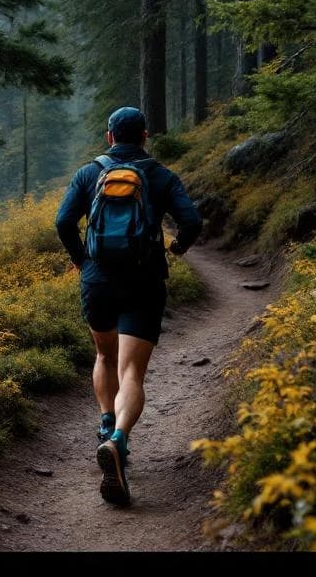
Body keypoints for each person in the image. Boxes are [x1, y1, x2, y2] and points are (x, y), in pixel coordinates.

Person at [54, 106, 202, 506]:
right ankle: (119, 438)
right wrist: (177, 247)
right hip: (144, 281)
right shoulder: (161, 175)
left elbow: (63, 222)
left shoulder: (89, 173)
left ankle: (106, 425)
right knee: (132, 370)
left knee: (104, 355)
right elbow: (192, 221)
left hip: (98, 280)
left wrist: (82, 259)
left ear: (109, 137)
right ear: (145, 136)